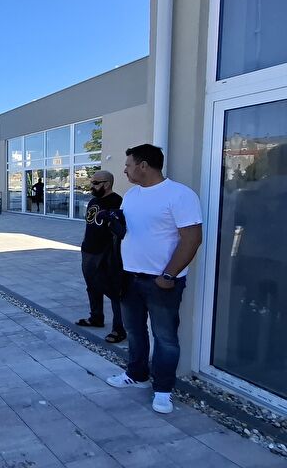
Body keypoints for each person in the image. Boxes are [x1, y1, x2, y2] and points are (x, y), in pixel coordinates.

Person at [107, 144, 202, 414]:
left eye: (128, 165)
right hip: (130, 278)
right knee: (135, 331)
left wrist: (168, 275)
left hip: (162, 282)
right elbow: (132, 230)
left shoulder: (180, 195)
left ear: (144, 166)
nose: (124, 170)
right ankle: (136, 375)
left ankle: (163, 390)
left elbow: (192, 238)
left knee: (165, 337)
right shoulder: (131, 195)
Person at [76, 170, 127, 343]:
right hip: (88, 250)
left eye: (96, 183)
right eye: (91, 182)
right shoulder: (93, 201)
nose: (92, 186)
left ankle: (119, 329)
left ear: (107, 184)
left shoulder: (117, 201)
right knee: (92, 286)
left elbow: (121, 230)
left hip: (107, 253)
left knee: (113, 291)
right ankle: (96, 317)